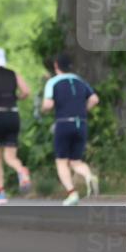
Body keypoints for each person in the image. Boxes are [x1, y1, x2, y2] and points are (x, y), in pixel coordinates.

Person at [41, 53, 100, 205]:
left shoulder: (53, 82)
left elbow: (48, 104)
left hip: (63, 123)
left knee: (61, 161)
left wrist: (43, 110)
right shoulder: (80, 81)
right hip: (81, 123)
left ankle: (72, 194)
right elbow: (94, 99)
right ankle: (89, 176)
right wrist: (83, 110)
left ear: (56, 66)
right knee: (76, 161)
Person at [0, 47, 33, 205]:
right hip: (13, 115)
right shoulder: (13, 74)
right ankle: (21, 170)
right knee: (10, 156)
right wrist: (16, 98)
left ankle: (1, 192)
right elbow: (26, 91)